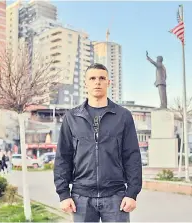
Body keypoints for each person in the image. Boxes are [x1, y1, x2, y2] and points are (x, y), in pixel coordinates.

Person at [53, 63, 142, 222]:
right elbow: (63, 157)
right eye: (92, 78)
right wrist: (63, 194)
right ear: (85, 83)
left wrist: (132, 193)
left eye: (102, 78)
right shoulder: (72, 117)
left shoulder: (123, 116)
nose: (97, 82)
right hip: (81, 198)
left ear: (108, 83)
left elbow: (132, 156)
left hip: (116, 197)